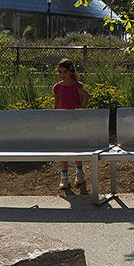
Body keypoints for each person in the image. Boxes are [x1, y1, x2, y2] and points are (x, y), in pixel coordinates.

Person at [53, 57, 90, 190]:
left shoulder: (78, 86)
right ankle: (64, 177)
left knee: (75, 148)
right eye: (59, 72)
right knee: (64, 149)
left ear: (70, 72)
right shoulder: (57, 87)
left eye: (64, 72)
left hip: (76, 122)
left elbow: (83, 104)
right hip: (62, 122)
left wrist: (84, 96)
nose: (62, 75)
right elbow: (56, 105)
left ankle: (79, 173)